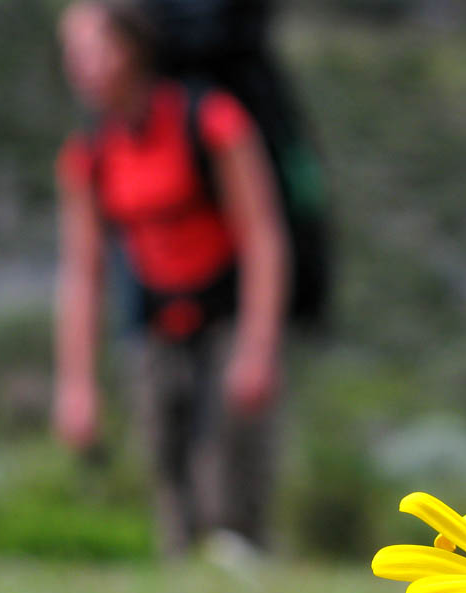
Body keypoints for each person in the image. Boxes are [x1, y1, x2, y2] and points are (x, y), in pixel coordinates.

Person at [53, 1, 289, 555]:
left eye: (95, 49)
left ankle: (245, 569)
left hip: (226, 307)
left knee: (233, 472)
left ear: (134, 51)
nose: (81, 66)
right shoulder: (87, 155)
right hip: (154, 317)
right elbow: (82, 275)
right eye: (71, 54)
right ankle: (182, 574)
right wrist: (77, 385)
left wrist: (257, 350)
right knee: (166, 466)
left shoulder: (212, 120)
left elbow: (263, 237)